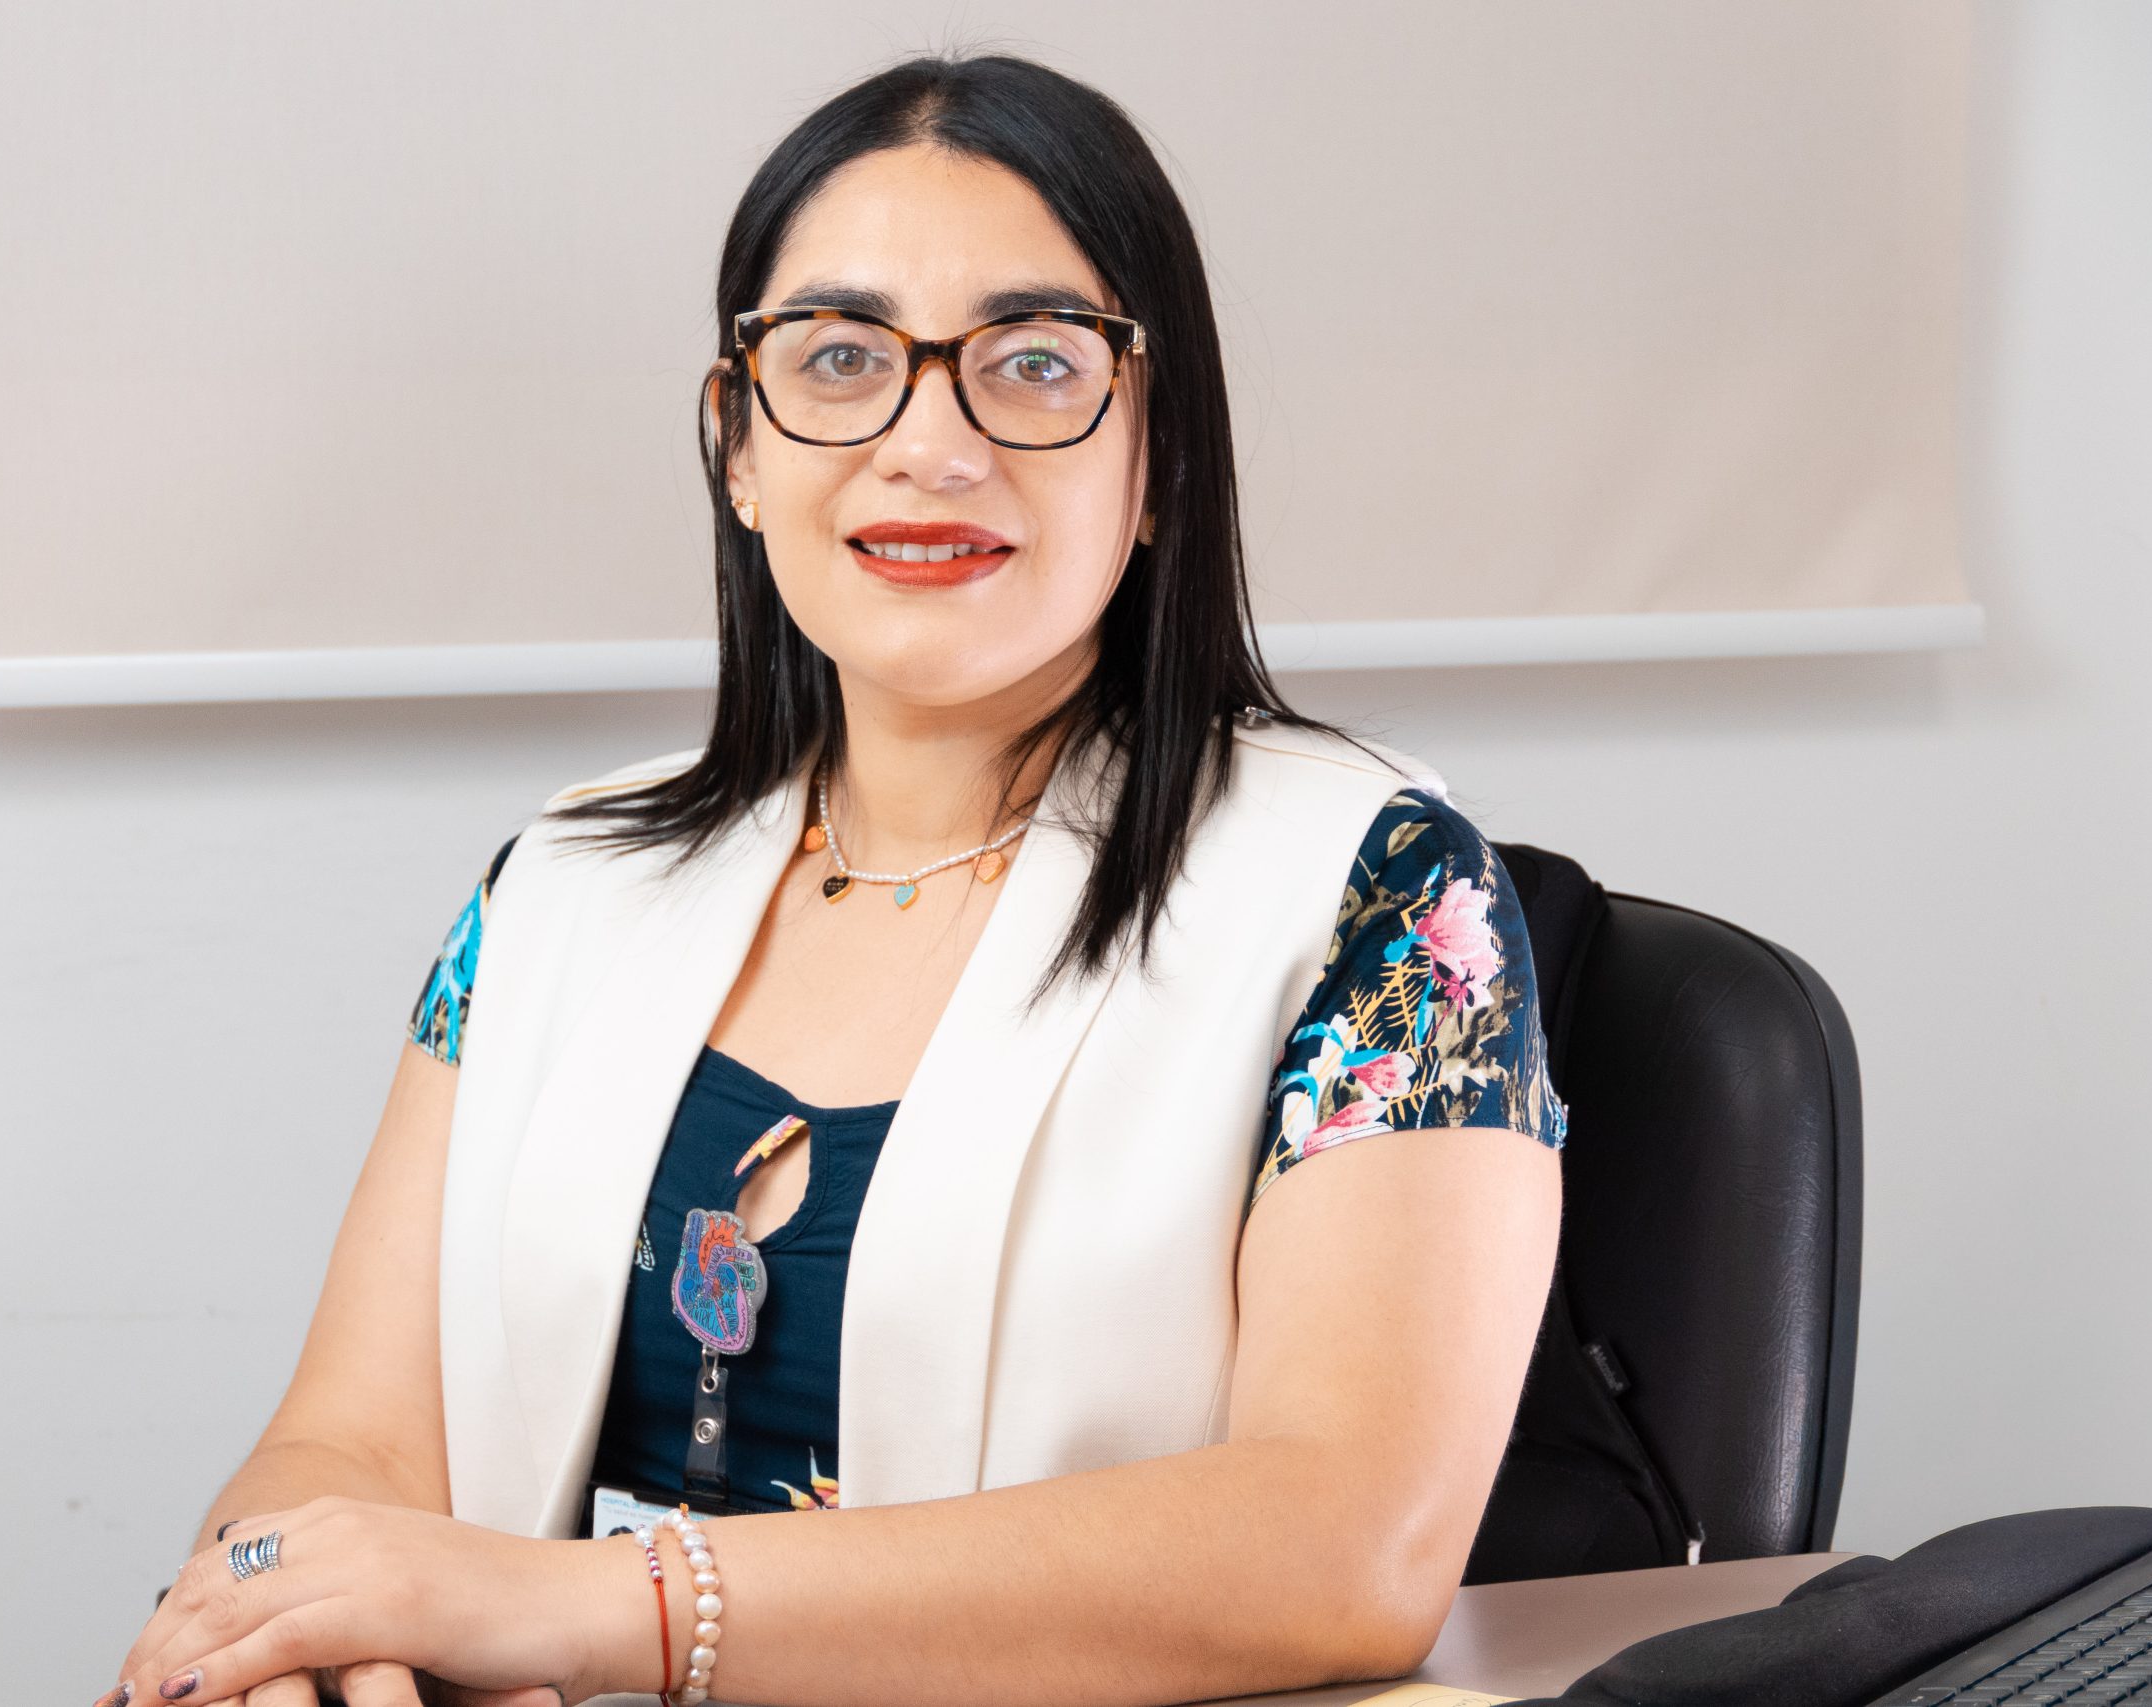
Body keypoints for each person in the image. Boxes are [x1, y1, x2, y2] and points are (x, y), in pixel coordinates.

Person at [102, 51, 1564, 1707]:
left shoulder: (1384, 899)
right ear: (736, 446)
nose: (928, 446)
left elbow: (1344, 1547)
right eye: (842, 357)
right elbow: (355, 1441)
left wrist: (608, 1609)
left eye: (1033, 363)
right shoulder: (556, 890)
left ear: (1159, 453)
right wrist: (285, 1627)